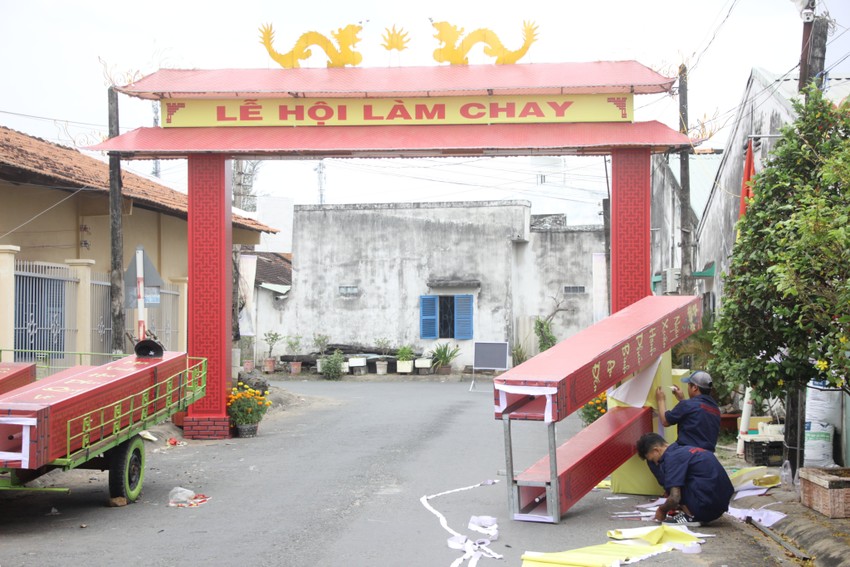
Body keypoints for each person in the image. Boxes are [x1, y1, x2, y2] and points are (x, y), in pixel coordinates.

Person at [636, 432, 734, 526]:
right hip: (721, 505)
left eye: (653, 460)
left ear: (656, 450)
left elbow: (675, 498)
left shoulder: (671, 458)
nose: (656, 464)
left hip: (705, 509)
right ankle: (695, 511)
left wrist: (662, 510)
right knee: (681, 478)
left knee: (675, 485)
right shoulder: (685, 449)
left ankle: (691, 516)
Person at [655, 370, 721, 452]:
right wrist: (682, 399)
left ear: (695, 388)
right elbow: (695, 411)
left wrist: (660, 400)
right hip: (707, 455)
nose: (687, 388)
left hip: (689, 455)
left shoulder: (688, 405)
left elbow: (665, 421)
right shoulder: (715, 409)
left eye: (689, 385)